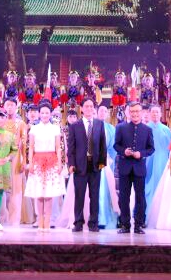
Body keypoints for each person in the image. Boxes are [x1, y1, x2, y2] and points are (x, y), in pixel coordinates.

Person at [67, 98, 107, 232]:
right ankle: (78, 222)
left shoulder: (99, 124)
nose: (89, 109)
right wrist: (71, 164)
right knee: (79, 196)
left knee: (94, 196)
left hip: (95, 166)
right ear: (82, 108)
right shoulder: (75, 126)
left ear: (94, 108)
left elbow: (103, 145)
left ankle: (93, 223)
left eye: (91, 106)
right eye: (86, 106)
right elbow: (71, 148)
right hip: (80, 166)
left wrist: (102, 163)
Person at [114, 102, 154, 234]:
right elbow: (116, 145)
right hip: (124, 167)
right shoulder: (121, 127)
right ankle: (125, 225)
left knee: (140, 197)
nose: (135, 114)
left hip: (139, 168)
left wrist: (141, 154)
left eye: (137, 111)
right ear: (129, 113)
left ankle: (138, 225)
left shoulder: (147, 129)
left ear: (142, 113)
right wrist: (123, 151)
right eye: (132, 111)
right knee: (123, 197)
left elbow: (151, 148)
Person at [25, 104, 66, 231]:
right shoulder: (34, 129)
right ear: (39, 114)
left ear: (50, 114)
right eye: (42, 113)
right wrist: (30, 163)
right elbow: (31, 147)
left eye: (47, 113)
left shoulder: (55, 129)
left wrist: (59, 163)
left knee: (49, 194)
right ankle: (40, 221)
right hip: (37, 161)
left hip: (51, 161)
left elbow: (58, 148)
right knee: (39, 193)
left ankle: (47, 222)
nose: (44, 115)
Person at [0, 97, 27, 226]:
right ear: (4, 107)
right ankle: (3, 217)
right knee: (2, 185)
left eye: (12, 105)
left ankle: (14, 218)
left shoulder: (21, 124)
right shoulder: (1, 122)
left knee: (15, 187)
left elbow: (24, 143)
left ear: (16, 107)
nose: (10, 107)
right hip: (2, 156)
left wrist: (24, 160)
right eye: (8, 105)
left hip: (16, 157)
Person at [96, 104, 120, 229]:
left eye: (105, 111)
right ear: (97, 112)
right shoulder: (91, 125)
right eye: (101, 110)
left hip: (105, 162)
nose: (103, 113)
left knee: (105, 189)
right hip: (92, 162)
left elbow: (114, 146)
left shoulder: (111, 128)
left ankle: (104, 217)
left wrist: (109, 159)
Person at [144, 105, 171, 206]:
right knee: (148, 183)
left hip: (163, 160)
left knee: (162, 183)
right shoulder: (144, 128)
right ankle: (148, 207)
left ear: (161, 114)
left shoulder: (166, 129)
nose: (155, 114)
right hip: (147, 159)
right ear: (149, 114)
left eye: (157, 112)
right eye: (153, 112)